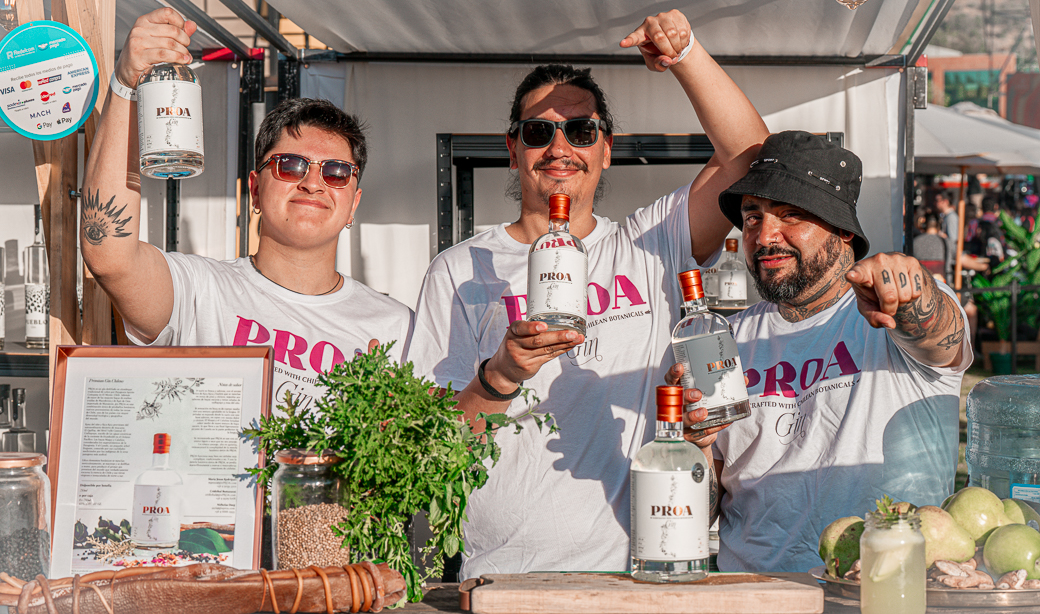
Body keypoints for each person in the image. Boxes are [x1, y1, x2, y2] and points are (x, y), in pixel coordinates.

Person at [407, 10, 768, 578]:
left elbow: (750, 156)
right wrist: (499, 375)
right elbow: (429, 443)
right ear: (512, 149)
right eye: (537, 132)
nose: (559, 146)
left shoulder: (648, 243)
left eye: (580, 131)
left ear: (606, 148)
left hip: (638, 571)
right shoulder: (459, 270)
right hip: (505, 575)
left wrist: (686, 55)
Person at [81, 8, 412, 412]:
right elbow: (109, 254)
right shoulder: (200, 292)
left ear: (353, 204)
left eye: (337, 172)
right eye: (290, 165)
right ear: (255, 190)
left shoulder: (396, 328)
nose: (313, 182)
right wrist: (126, 85)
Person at [671, 131, 971, 573]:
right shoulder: (722, 341)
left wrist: (910, 290)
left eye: (791, 215)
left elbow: (936, 331)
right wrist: (692, 446)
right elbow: (700, 512)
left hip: (878, 585)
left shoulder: (887, 316)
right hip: (751, 591)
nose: (764, 236)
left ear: (843, 229)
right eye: (752, 217)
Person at [934, 190, 959, 283]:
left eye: (938, 200)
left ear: (946, 201)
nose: (936, 203)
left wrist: (941, 236)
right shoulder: (946, 216)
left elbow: (953, 239)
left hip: (950, 255)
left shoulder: (951, 217)